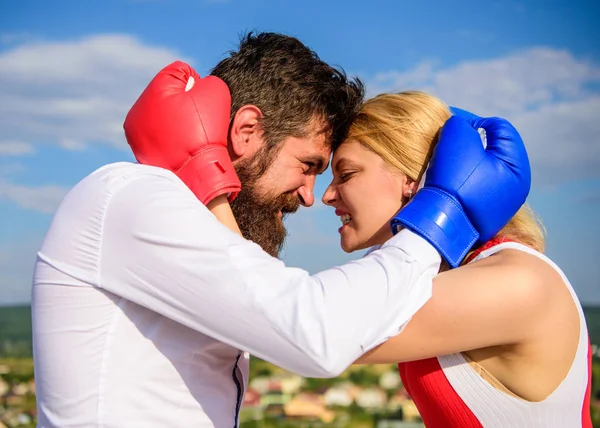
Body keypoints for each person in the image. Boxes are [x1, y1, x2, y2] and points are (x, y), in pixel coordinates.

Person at [31, 33, 530, 427]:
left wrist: (211, 182)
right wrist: (438, 221)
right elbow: (311, 330)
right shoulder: (131, 195)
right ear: (248, 131)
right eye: (309, 165)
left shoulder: (175, 221)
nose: (311, 196)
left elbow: (250, 290)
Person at [315, 91, 590, 427]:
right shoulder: (442, 278)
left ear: (412, 179)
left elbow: (312, 326)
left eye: (346, 174)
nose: (327, 196)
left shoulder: (518, 281)